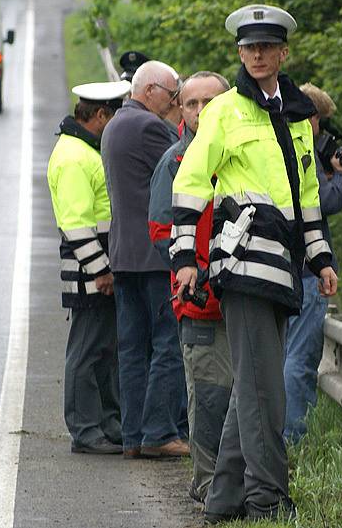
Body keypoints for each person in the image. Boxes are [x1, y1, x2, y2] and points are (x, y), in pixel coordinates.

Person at [170, 4, 338, 523]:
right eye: (249, 47)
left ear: (284, 52)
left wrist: (321, 258)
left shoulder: (296, 114)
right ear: (240, 53)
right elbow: (192, 182)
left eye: (267, 46)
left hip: (285, 270)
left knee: (254, 384)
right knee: (264, 389)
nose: (258, 55)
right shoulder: (223, 111)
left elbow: (307, 194)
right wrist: (184, 259)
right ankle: (267, 498)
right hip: (242, 267)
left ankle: (223, 502)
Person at [148, 71, 233, 503]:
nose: (200, 113)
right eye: (191, 104)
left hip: (242, 303)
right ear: (179, 109)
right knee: (208, 401)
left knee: (238, 402)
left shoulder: (237, 156)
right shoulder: (174, 162)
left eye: (210, 104)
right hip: (200, 306)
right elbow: (162, 232)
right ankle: (207, 487)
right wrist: (197, 270)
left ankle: (234, 485)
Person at [101, 61, 189, 459]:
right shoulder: (150, 127)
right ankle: (159, 431)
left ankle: (134, 436)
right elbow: (184, 162)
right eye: (172, 97)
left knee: (132, 349)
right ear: (150, 91)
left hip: (123, 255)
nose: (174, 104)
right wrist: (177, 118)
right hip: (154, 257)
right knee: (166, 344)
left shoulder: (116, 123)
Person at [46, 80, 130, 454]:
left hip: (99, 269)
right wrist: (101, 270)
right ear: (100, 116)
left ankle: (108, 425)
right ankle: (85, 429)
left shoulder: (83, 150)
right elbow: (76, 224)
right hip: (90, 273)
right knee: (86, 351)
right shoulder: (74, 157)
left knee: (104, 350)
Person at [283, 83, 342, 444]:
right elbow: (323, 202)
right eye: (322, 123)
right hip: (306, 270)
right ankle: (293, 438)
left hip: (277, 267)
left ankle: (273, 437)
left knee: (278, 358)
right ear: (311, 118)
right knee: (299, 360)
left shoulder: (274, 145)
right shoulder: (301, 150)